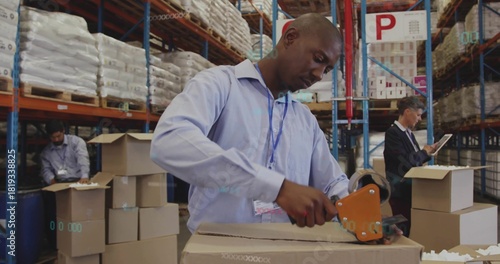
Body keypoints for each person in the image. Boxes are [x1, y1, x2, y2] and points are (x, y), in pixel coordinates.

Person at [151, 13, 350, 233]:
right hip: (218, 250)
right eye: (318, 59)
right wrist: (277, 188)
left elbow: (332, 182)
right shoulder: (220, 85)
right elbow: (169, 141)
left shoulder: (305, 120)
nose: (319, 75)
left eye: (327, 69)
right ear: (290, 38)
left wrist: (362, 213)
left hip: (286, 249)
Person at [383, 96, 437, 237]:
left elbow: (415, 161)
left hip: (409, 189)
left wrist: (427, 154)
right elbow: (405, 162)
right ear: (407, 112)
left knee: (405, 224)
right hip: (399, 190)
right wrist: (424, 152)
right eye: (418, 115)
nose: (419, 119)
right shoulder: (393, 133)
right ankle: (394, 251)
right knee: (401, 227)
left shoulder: (409, 134)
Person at [40, 119, 90, 250]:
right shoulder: (46, 152)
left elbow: (82, 158)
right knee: (53, 215)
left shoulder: (76, 142)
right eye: (53, 137)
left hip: (77, 182)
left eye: (58, 136)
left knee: (78, 216)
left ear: (63, 132)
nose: (56, 139)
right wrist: (51, 180)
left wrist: (84, 176)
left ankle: (81, 244)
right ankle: (55, 245)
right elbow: (45, 169)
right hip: (59, 184)